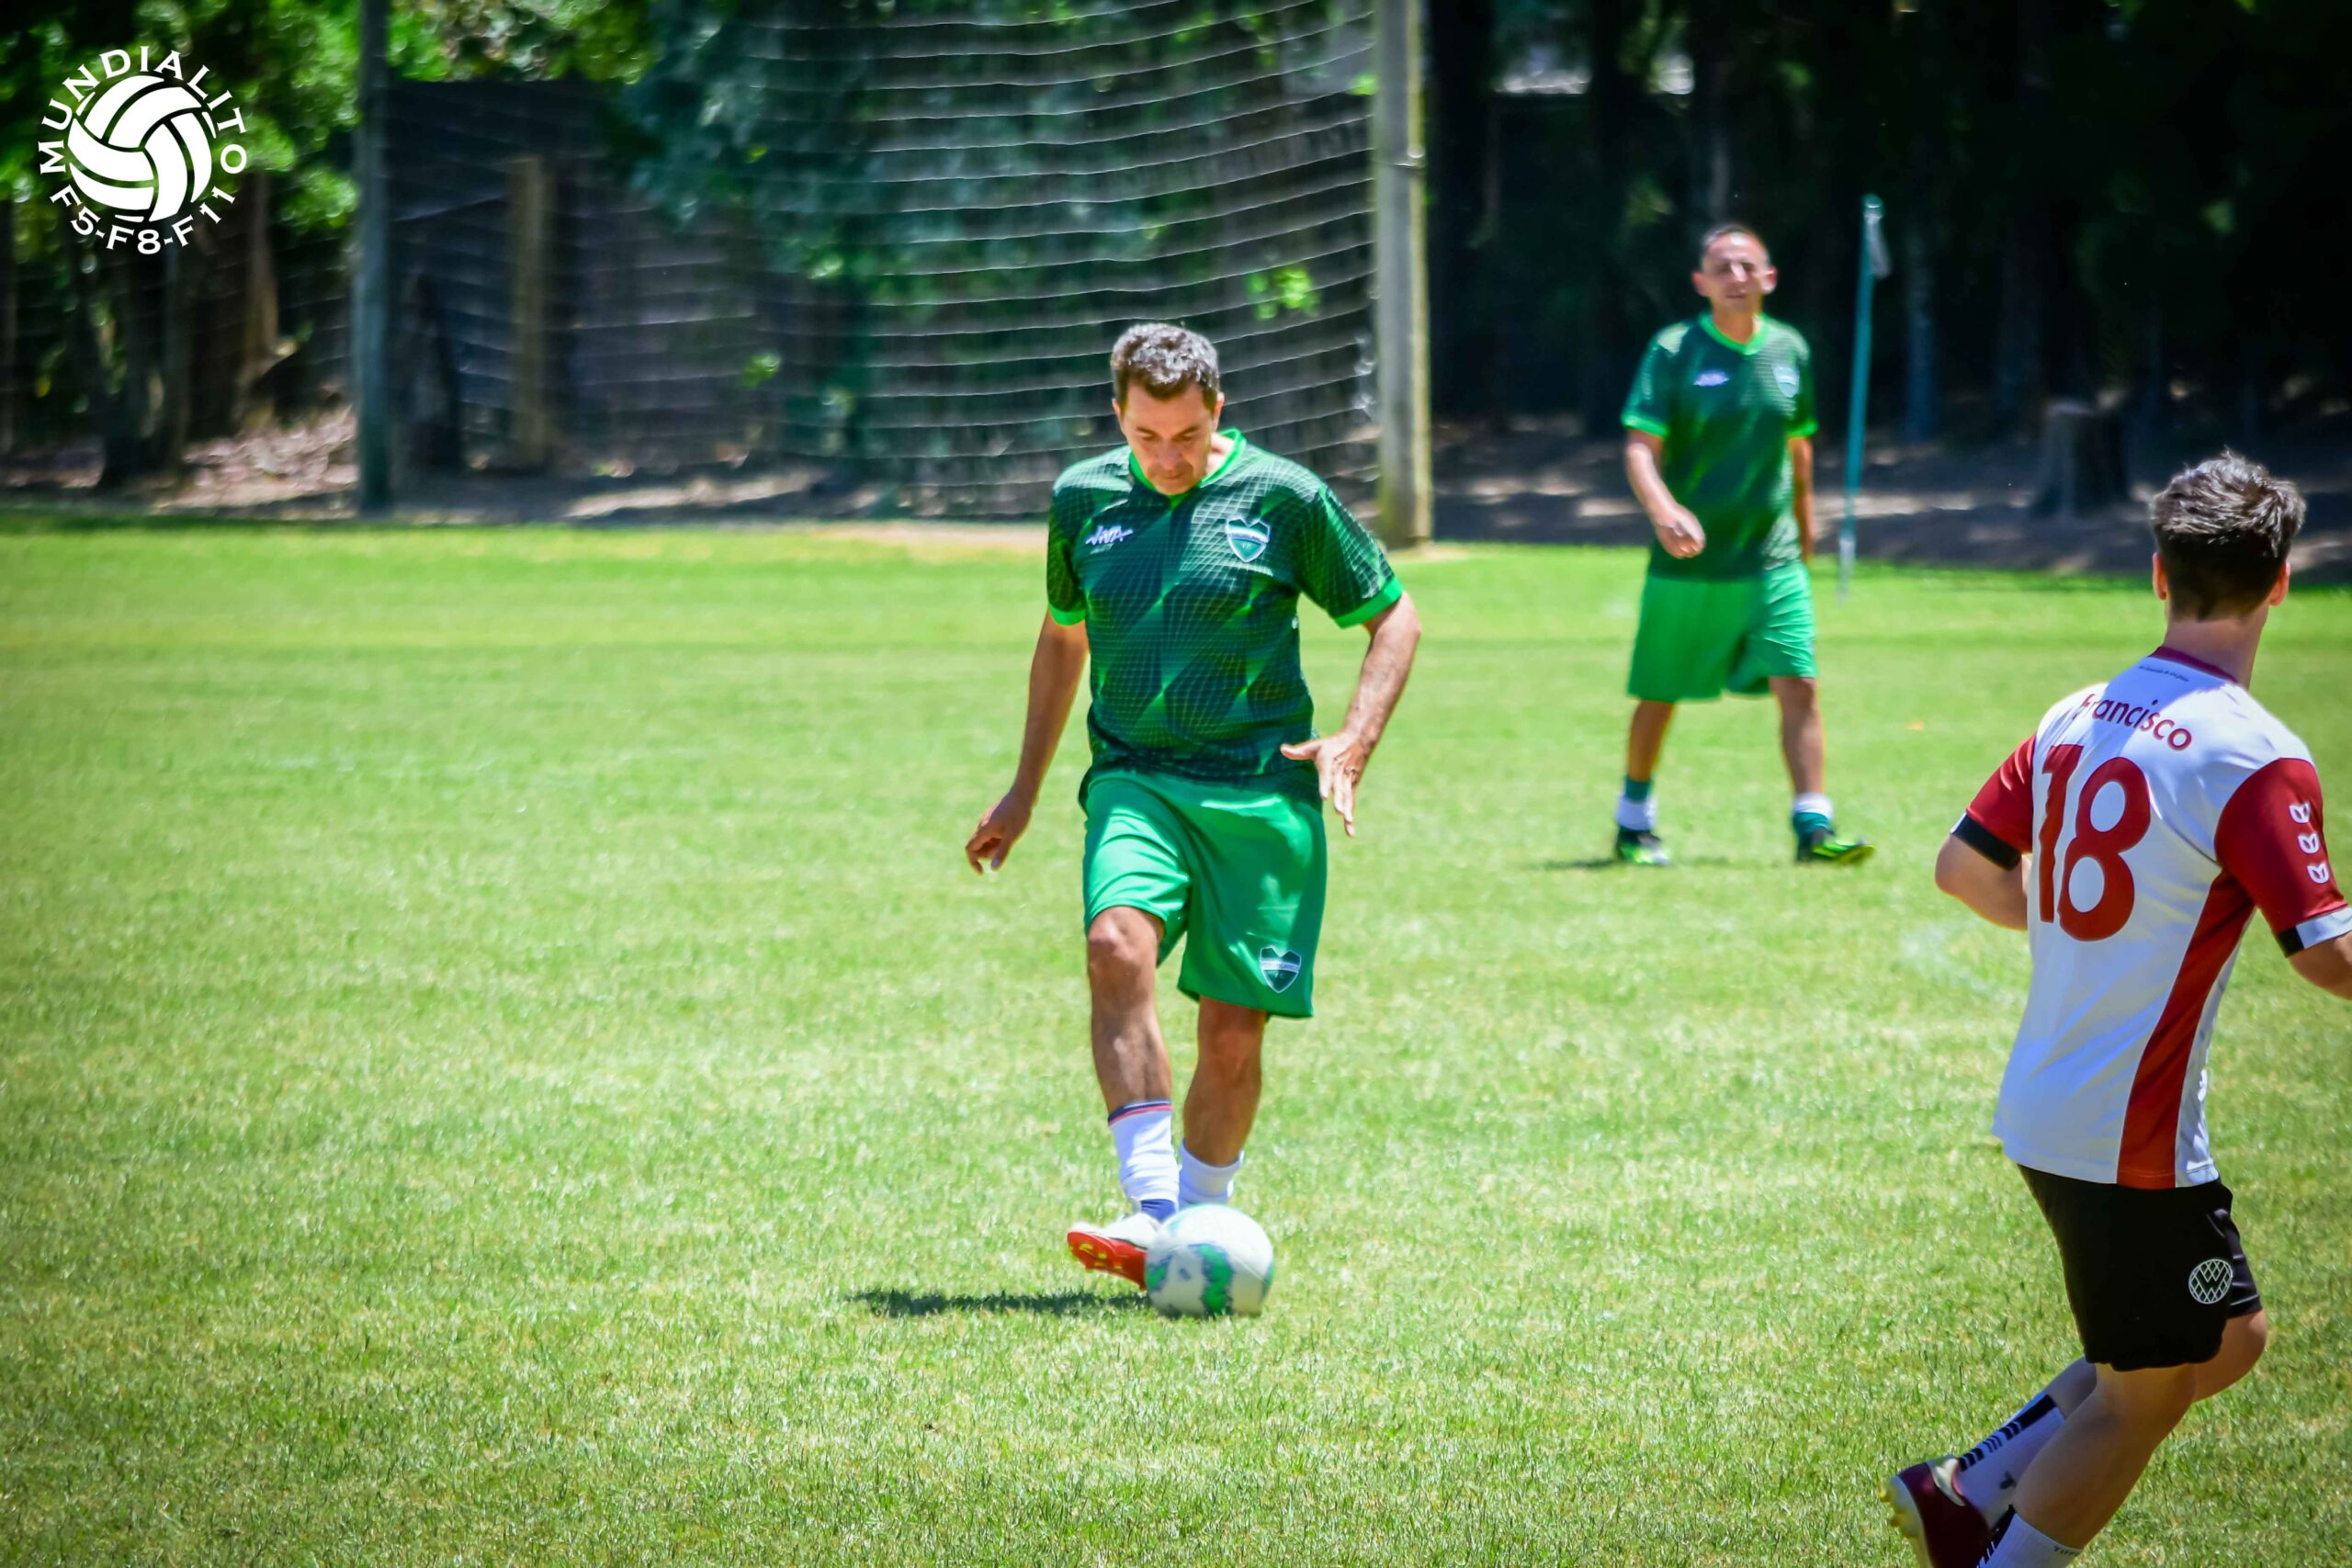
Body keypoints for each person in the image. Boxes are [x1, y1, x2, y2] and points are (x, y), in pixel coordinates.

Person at [1883, 454, 2352, 1567]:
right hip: (2126, 1134)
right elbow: (2329, 955)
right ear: (2281, 583)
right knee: (2144, 1398)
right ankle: (1983, 1534)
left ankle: (1969, 1488)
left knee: (2227, 1336)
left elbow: (1962, 868)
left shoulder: (2077, 711)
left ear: (2156, 574)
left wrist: (2080, 935)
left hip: (2054, 1101)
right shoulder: (2256, 755)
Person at [964, 322, 1421, 1287]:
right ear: (1117, 415)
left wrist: (1355, 738)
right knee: (1113, 946)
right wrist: (1025, 787)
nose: (1166, 457)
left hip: (1263, 791)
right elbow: (1062, 637)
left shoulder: (1285, 497)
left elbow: (1394, 616)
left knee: (1233, 1030)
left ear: (1217, 409)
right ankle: (1156, 1211)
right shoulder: (1082, 499)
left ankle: (1200, 1225)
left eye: (1184, 435)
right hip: (1137, 778)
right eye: (1144, 436)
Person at [1614, 223, 1869, 865]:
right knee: (1659, 694)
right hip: (1689, 566)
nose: (1735, 276)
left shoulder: (1790, 349)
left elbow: (1799, 448)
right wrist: (1665, 510)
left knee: (1800, 684)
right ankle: (1633, 821)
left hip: (1772, 559)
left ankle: (1814, 826)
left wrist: (1807, 531)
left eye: (1747, 266)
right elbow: (1640, 447)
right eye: (1722, 267)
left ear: (1769, 278)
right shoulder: (1673, 350)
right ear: (1700, 282)